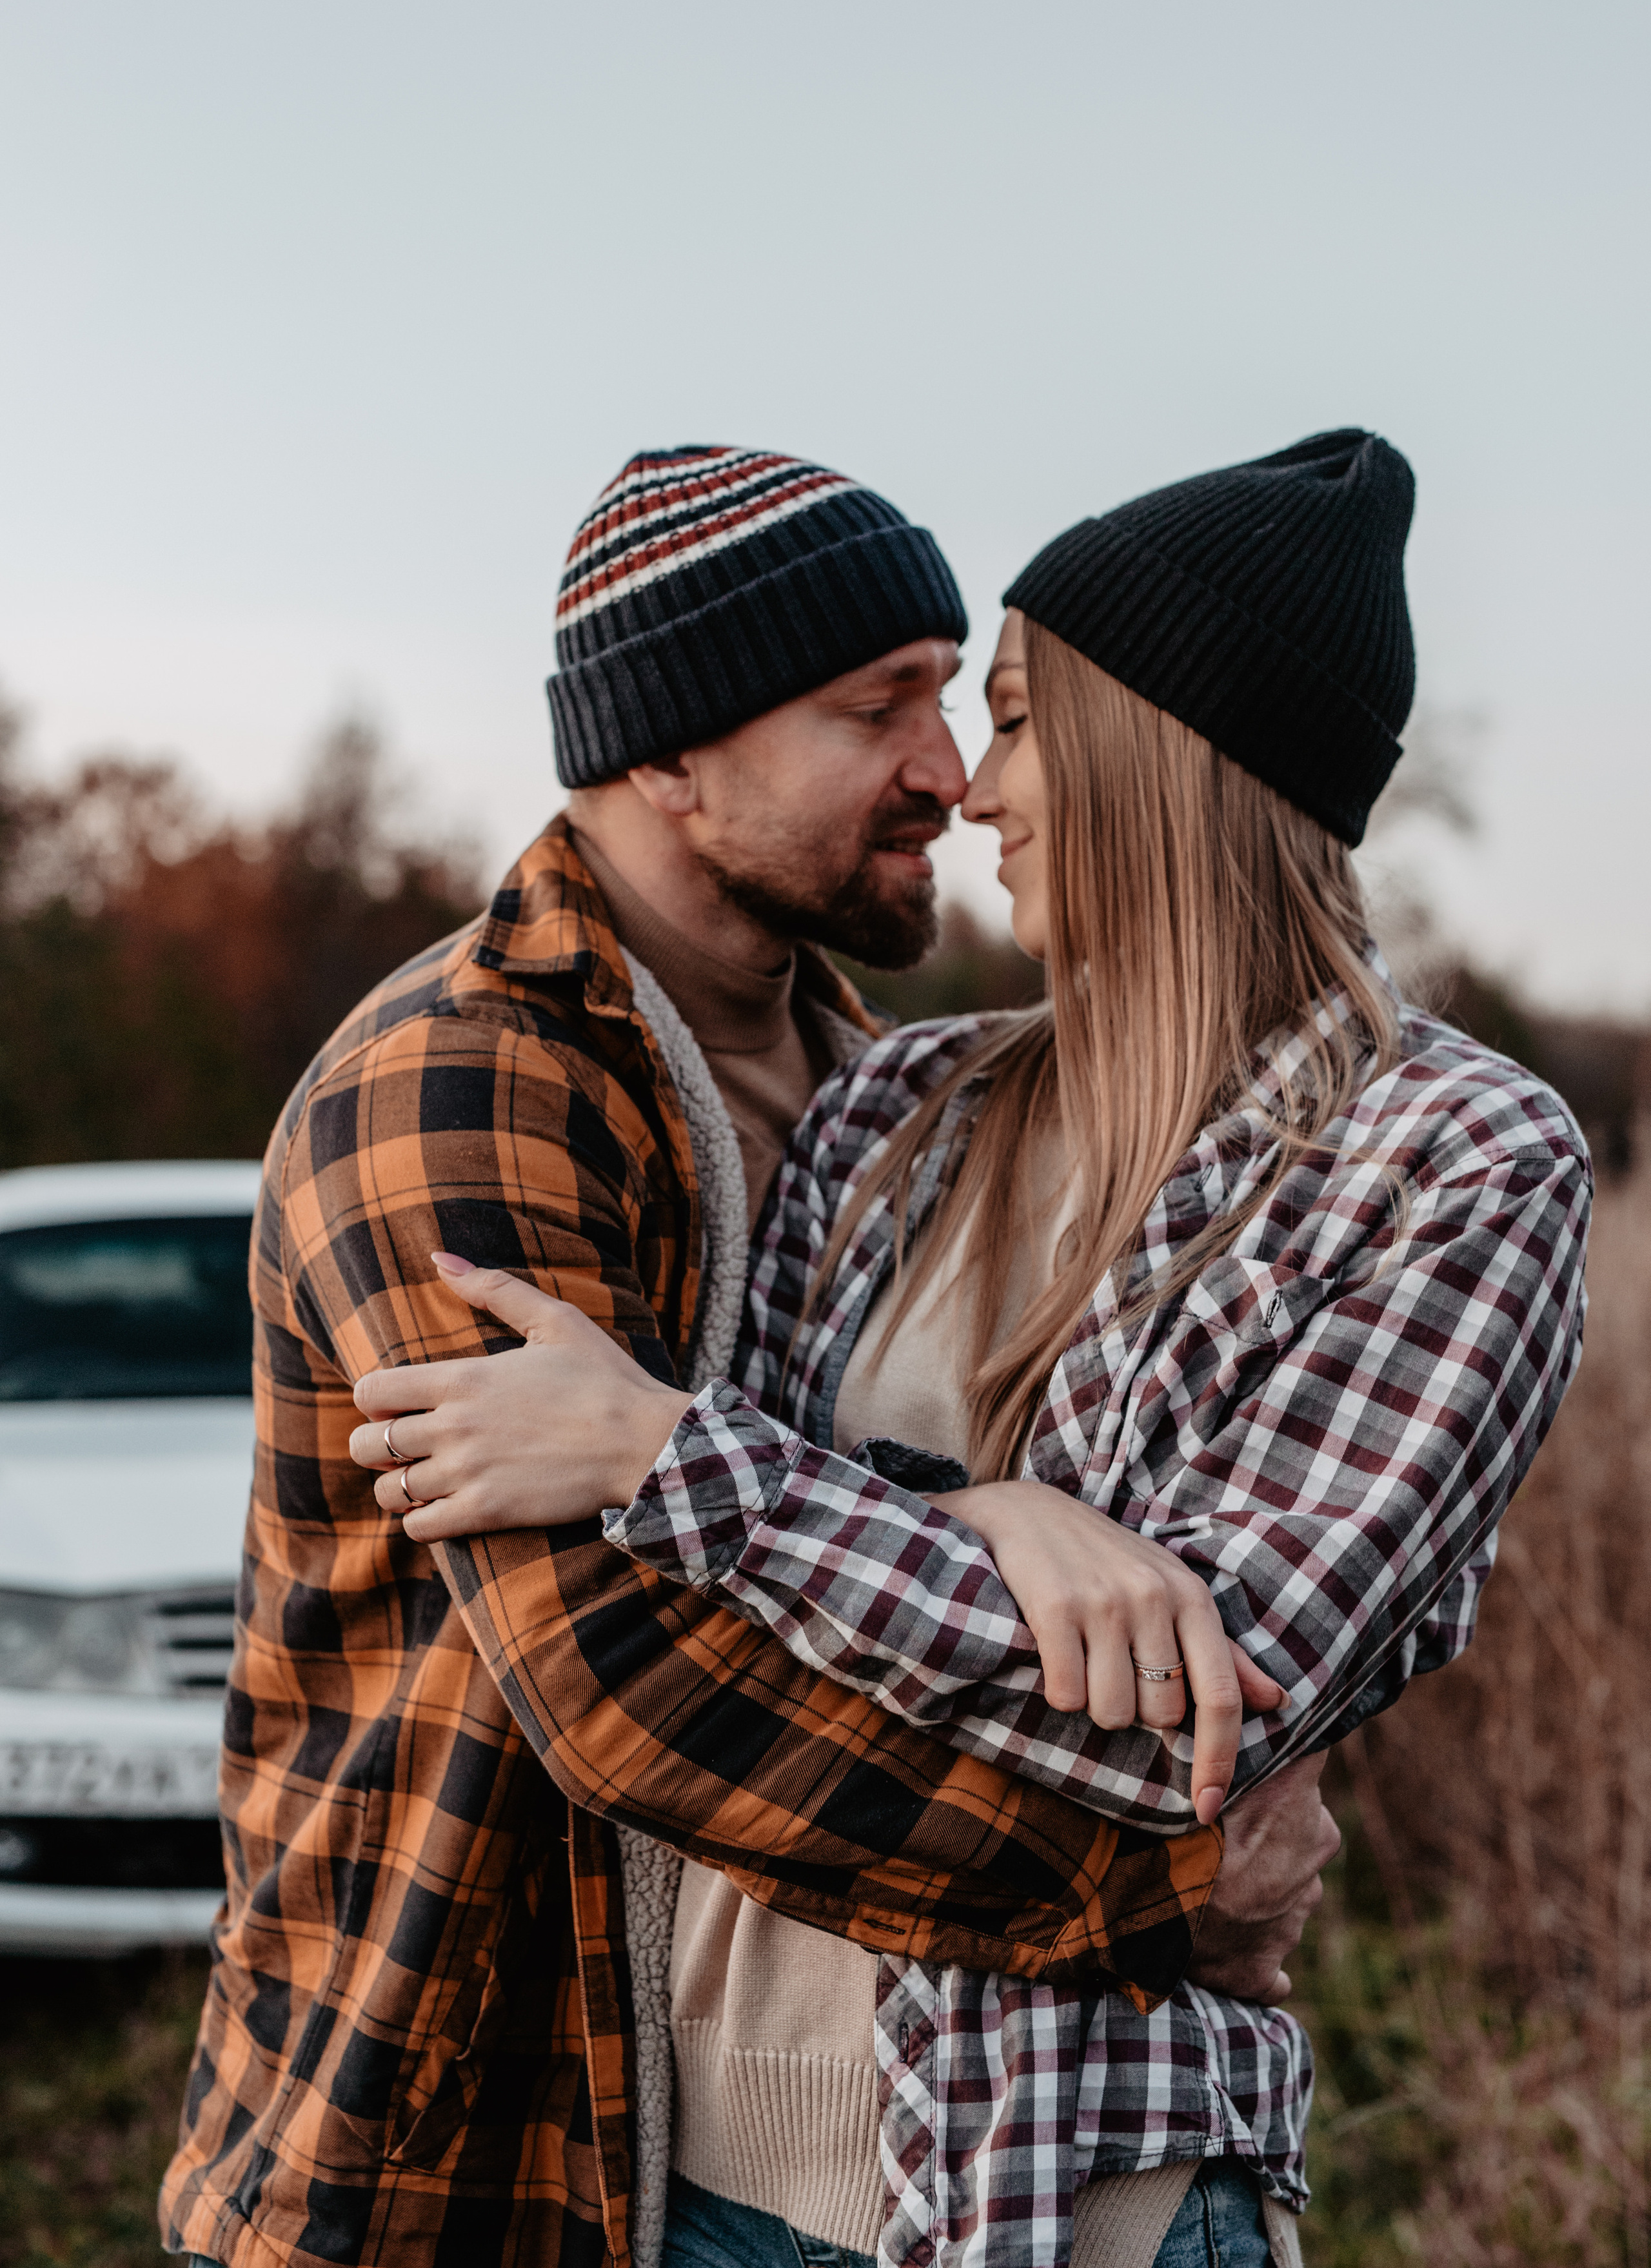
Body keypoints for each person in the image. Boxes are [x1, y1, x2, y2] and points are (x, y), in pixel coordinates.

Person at [350, 431, 1592, 2268]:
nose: (974, 785)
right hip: (697, 2178)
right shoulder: (902, 1109)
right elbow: (697, 1621)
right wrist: (1002, 1514)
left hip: (1077, 2187)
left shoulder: (1457, 1164)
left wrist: (677, 1460)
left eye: (1013, 719)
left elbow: (1194, 1710)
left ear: (1170, 754)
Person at [162, 444, 1329, 2268]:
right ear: (671, 749)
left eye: (948, 701)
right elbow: (627, 1669)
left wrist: (992, 1509)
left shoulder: (881, 1087)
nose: (951, 772)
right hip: (456, 2126)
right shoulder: (458, 1090)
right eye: (883, 708)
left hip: (760, 2151)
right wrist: (1154, 1882)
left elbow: (786, 1515)